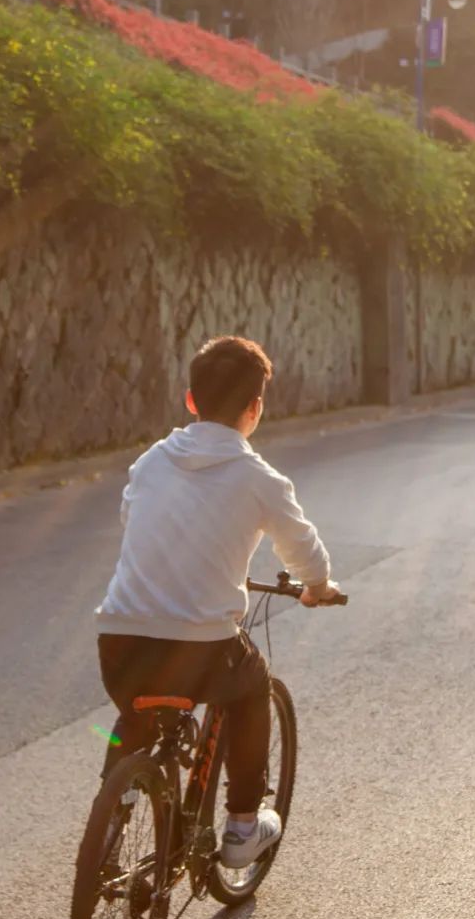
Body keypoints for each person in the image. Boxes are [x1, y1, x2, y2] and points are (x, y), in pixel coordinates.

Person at [95, 335, 339, 868]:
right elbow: (305, 553)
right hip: (203, 652)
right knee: (252, 686)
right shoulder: (260, 479)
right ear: (256, 408)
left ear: (190, 401)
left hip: (118, 642)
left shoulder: (149, 462)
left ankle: (112, 819)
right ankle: (242, 830)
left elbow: (130, 519)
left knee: (137, 706)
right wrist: (317, 589)